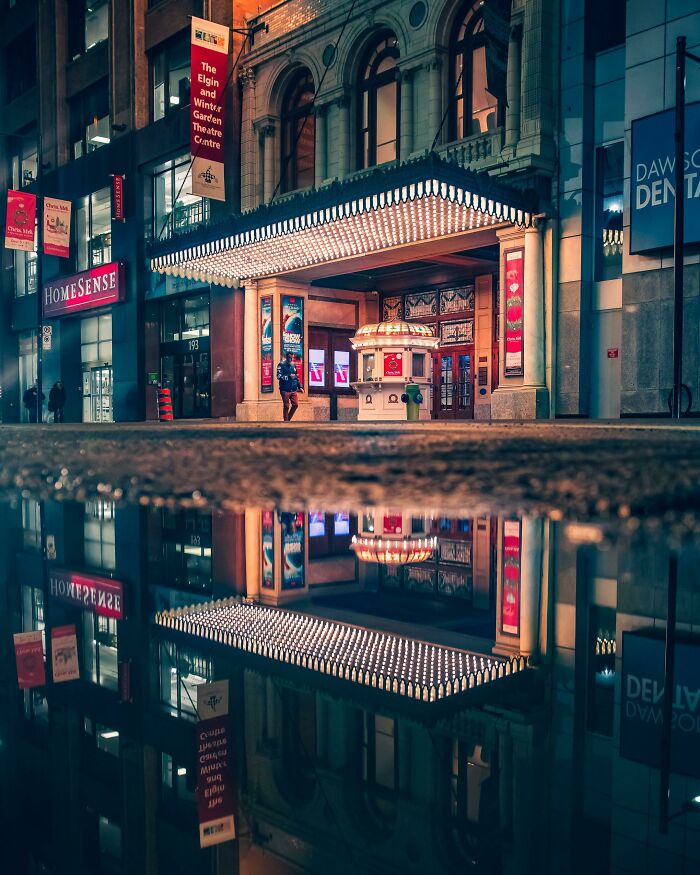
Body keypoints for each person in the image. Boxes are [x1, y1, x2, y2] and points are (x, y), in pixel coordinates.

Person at [276, 351, 303, 421]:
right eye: (289, 358)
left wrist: (300, 387)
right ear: (286, 357)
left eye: (292, 358)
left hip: (293, 389)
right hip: (284, 389)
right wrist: (288, 376)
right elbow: (278, 376)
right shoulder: (281, 365)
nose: (291, 359)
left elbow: (296, 377)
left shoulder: (293, 365)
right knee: (286, 405)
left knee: (295, 405)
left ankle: (288, 420)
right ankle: (286, 421)